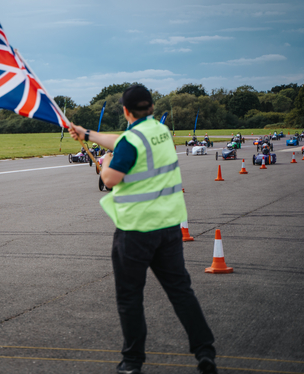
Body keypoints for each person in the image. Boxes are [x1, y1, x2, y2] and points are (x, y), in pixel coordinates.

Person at [68, 85, 217, 374]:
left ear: (125, 111)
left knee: (130, 297)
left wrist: (104, 161)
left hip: (136, 230)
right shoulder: (161, 132)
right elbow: (123, 140)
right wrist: (87, 135)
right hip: (169, 227)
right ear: (150, 108)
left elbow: (110, 179)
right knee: (181, 292)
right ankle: (205, 352)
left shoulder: (130, 141)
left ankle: (133, 361)